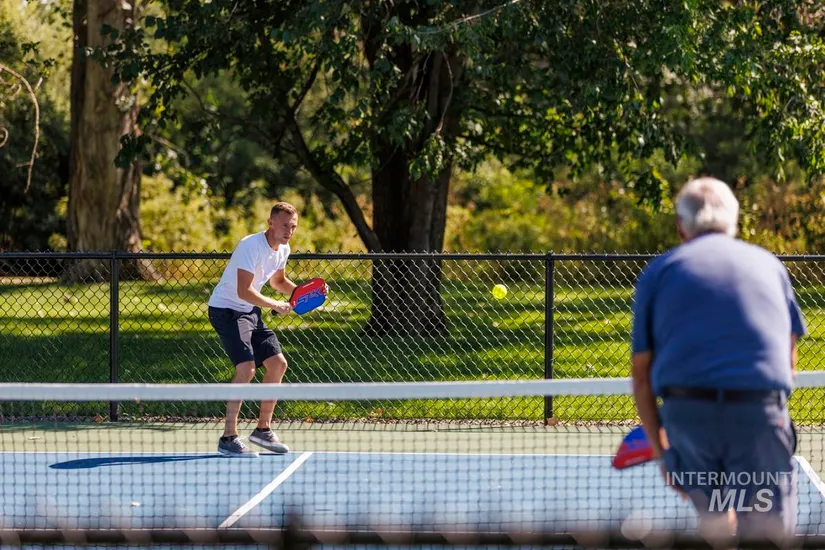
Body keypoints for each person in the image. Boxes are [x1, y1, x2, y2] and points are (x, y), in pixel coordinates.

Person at [630, 177, 806, 545]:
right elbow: (788, 359)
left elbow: (641, 376)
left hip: (689, 420)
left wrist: (664, 455)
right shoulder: (770, 266)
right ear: (734, 221)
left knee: (716, 524)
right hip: (757, 417)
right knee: (767, 535)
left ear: (681, 226)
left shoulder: (659, 273)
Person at [207, 202, 300, 458]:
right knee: (246, 369)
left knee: (278, 364)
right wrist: (275, 305)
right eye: (284, 225)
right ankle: (228, 438)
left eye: (293, 226)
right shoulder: (250, 245)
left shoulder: (283, 249)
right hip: (226, 310)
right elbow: (243, 290)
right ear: (270, 222)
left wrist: (305, 292)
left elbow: (278, 281)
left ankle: (263, 430)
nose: (289, 231)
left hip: (249, 311)